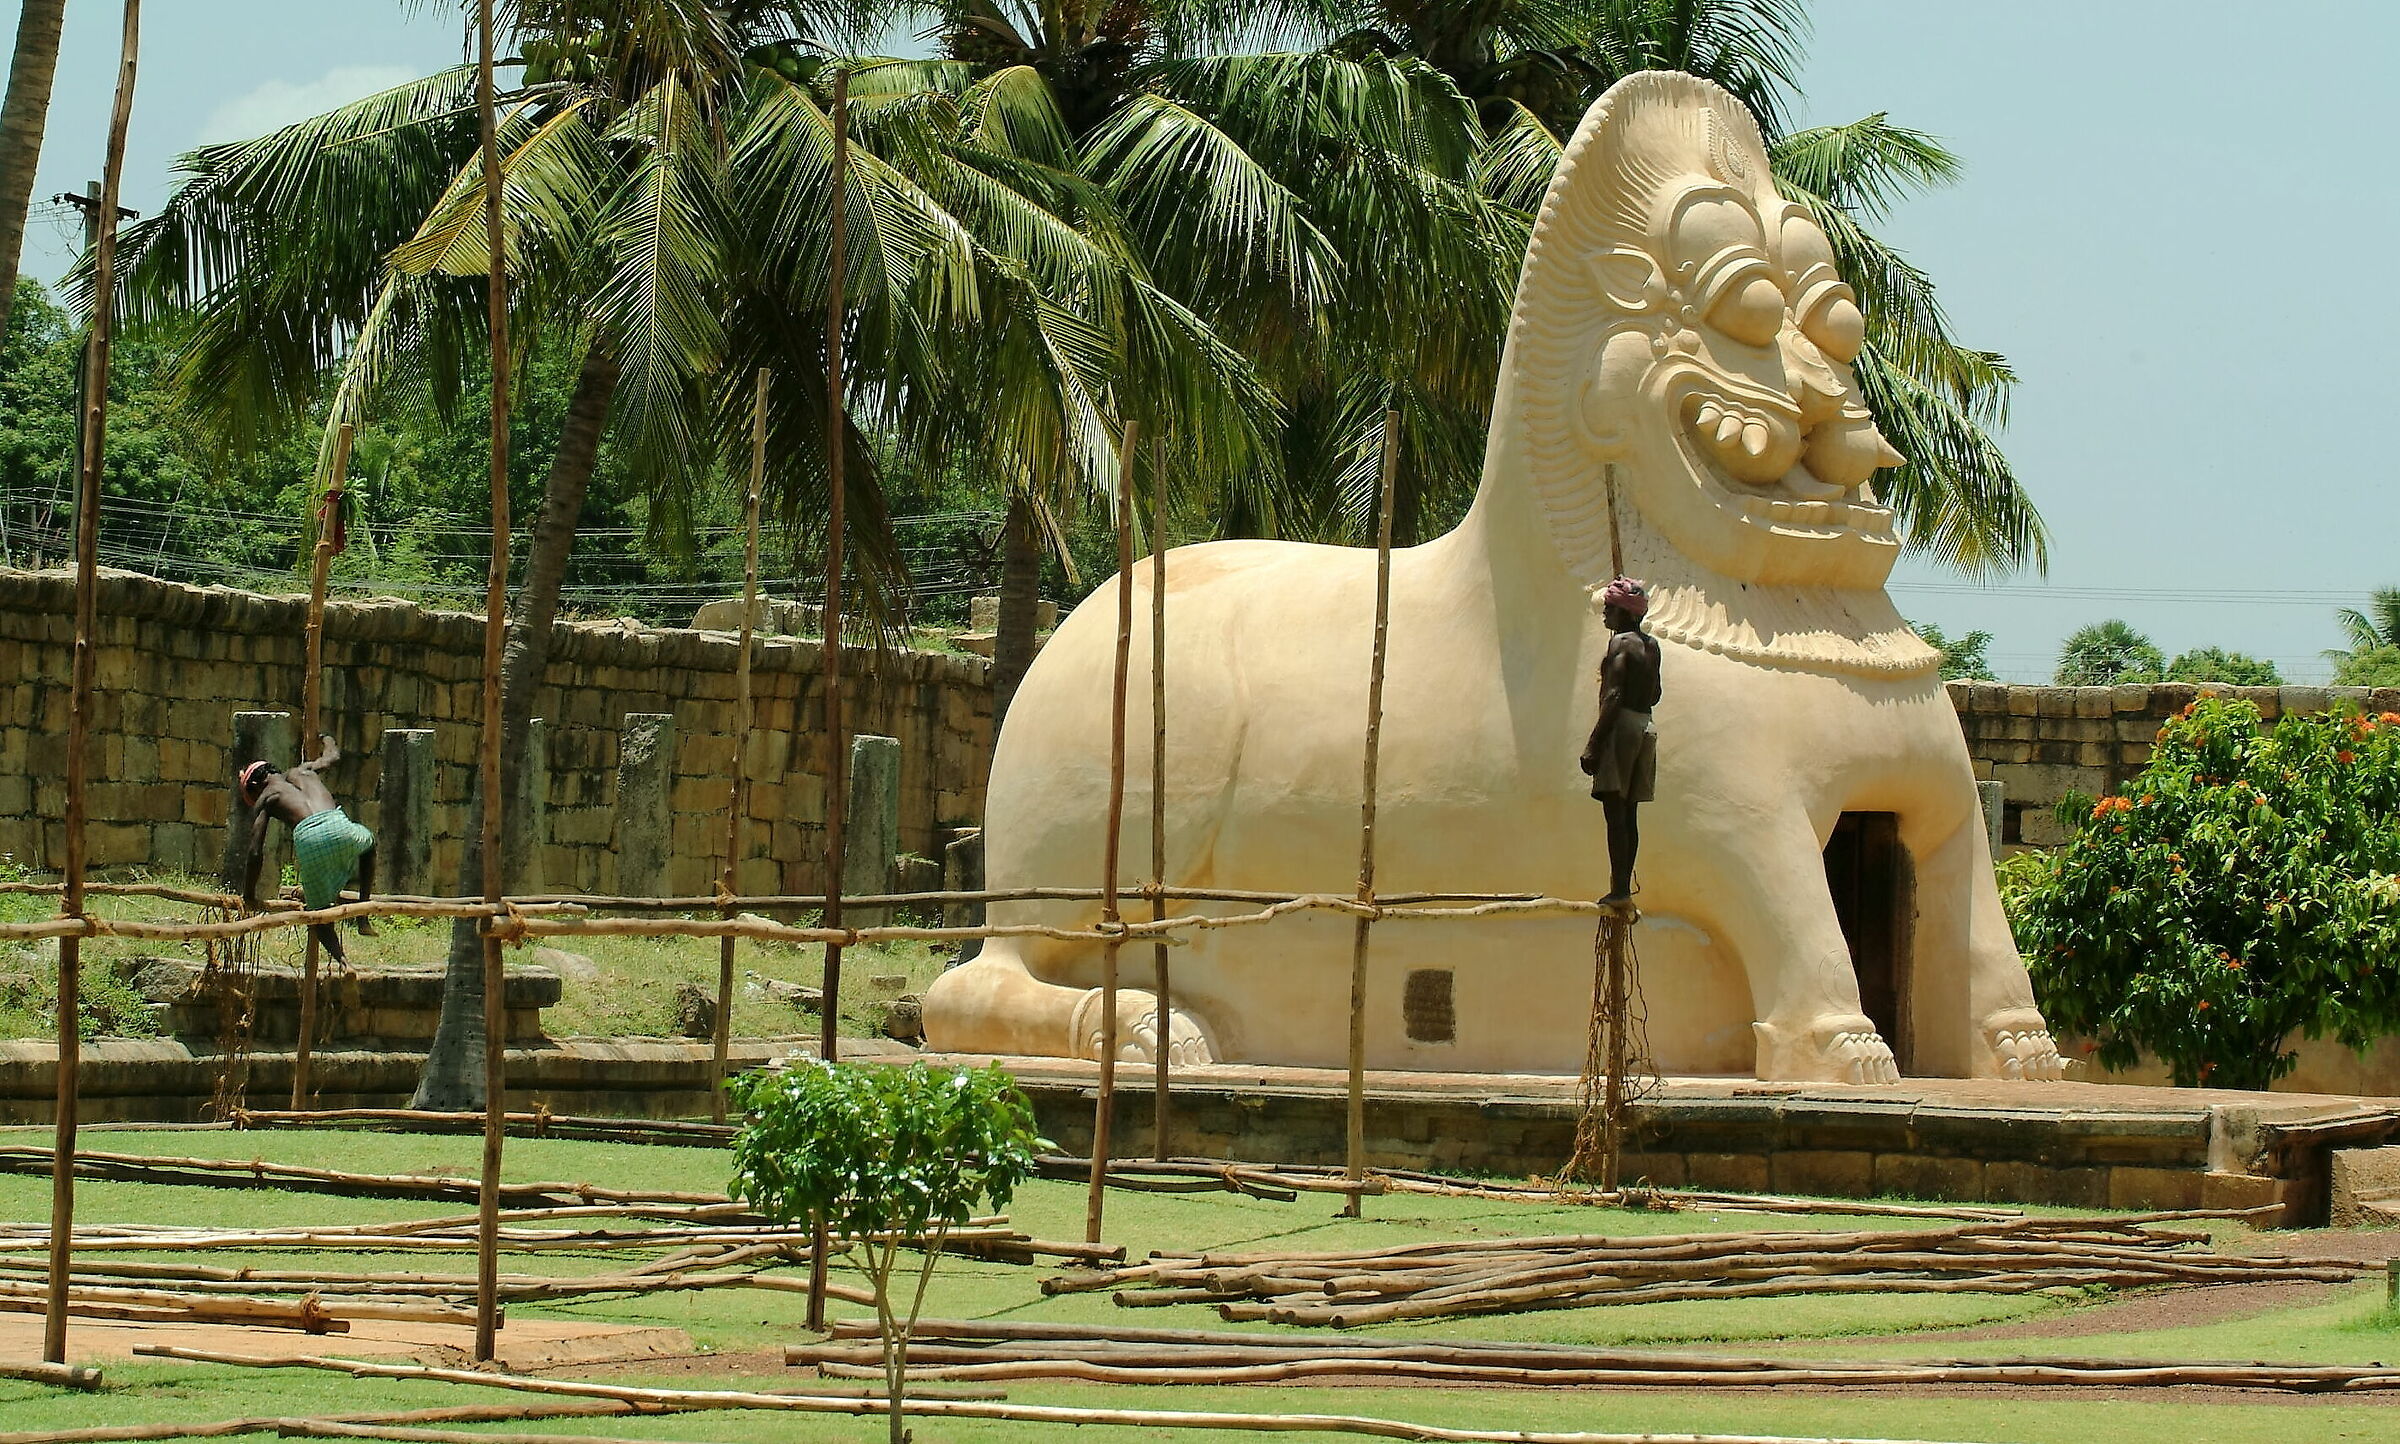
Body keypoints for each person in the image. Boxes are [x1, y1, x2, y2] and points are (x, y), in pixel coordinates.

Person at [231, 737, 376, 963]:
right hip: (340, 824)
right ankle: (363, 913)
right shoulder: (304, 771)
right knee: (369, 844)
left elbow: (255, 852)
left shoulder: (268, 797)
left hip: (310, 838)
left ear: (256, 787)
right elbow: (332, 757)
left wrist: (248, 896)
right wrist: (326, 738)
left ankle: (345, 963)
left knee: (316, 914)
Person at [1578, 577, 1661, 904]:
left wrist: (1593, 745)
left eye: (1609, 608)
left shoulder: (1620, 644)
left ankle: (1620, 890)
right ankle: (1623, 887)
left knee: (1615, 812)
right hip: (1646, 725)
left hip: (1622, 726)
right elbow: (1655, 693)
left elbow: (1613, 696)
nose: (1604, 615)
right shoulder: (1652, 646)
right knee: (1630, 812)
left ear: (1625, 613)